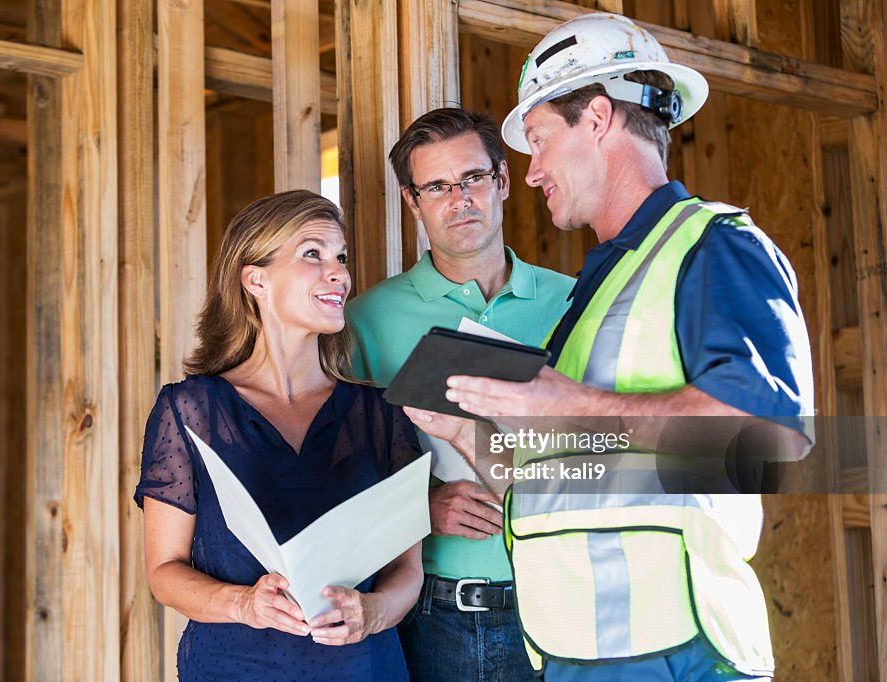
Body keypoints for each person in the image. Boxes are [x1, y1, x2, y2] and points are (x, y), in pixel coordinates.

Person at [405, 12, 814, 682]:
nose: (530, 173)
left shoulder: (713, 247)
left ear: (597, 119)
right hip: (577, 655)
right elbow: (574, 485)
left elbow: (768, 440)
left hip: (678, 654)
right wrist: (470, 440)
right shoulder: (596, 291)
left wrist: (571, 410)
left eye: (537, 141)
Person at [135, 190, 424, 681]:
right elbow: (164, 572)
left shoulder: (380, 412)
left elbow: (407, 572)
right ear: (256, 279)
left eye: (341, 257)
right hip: (232, 669)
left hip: (362, 669)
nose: (338, 272)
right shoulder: (188, 410)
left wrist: (372, 612)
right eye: (313, 254)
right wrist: (243, 603)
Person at [346, 107, 574, 681]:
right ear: (412, 201)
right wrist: (419, 510)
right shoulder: (366, 321)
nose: (460, 199)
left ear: (501, 182)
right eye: (438, 187)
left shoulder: (575, 303)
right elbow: (333, 474)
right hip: (438, 616)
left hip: (568, 600)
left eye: (473, 178)